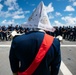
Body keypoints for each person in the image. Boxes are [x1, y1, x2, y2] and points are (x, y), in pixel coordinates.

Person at [9, 1, 61, 75]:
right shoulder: (55, 42)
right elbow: (56, 65)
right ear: (46, 27)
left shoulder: (17, 40)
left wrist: (15, 72)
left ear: (30, 24)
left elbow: (13, 61)